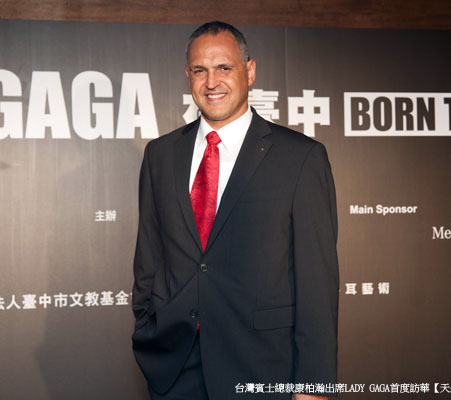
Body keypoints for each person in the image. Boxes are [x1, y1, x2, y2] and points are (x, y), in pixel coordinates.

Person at [131, 21, 339, 400]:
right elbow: (149, 259)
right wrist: (149, 327)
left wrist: (313, 385)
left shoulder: (300, 157)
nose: (212, 82)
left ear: (250, 71)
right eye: (200, 70)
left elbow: (317, 285)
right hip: (174, 369)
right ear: (188, 75)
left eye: (224, 67)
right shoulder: (160, 155)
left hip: (262, 368)